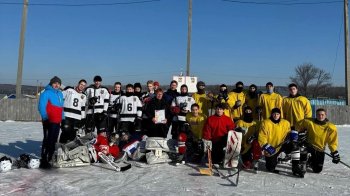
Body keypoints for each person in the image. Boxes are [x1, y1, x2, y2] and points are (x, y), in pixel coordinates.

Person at [258, 108, 304, 177]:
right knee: (270, 168)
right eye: (274, 114)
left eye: (277, 114)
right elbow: (261, 137)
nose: (276, 116)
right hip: (272, 148)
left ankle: (295, 166)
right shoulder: (265, 123)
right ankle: (275, 159)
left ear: (280, 115)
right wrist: (267, 147)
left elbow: (289, 133)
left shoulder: (285, 123)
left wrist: (293, 134)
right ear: (271, 114)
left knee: (294, 145)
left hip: (283, 144)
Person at [296, 108, 340, 173]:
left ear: (325, 115)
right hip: (308, 145)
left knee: (317, 170)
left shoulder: (331, 127)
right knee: (302, 147)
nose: (320, 116)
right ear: (316, 115)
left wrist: (334, 152)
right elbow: (297, 125)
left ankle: (310, 161)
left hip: (320, 149)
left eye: (322, 115)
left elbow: (332, 141)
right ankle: (302, 162)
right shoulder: (309, 122)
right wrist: (301, 132)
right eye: (318, 115)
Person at [38, 76, 64, 168]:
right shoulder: (46, 93)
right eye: (55, 83)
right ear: (51, 83)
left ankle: (50, 157)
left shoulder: (60, 94)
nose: (56, 85)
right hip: (49, 120)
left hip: (57, 121)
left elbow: (61, 108)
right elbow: (41, 106)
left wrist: (63, 118)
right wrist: (45, 117)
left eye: (58, 83)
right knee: (47, 139)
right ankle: (44, 159)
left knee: (54, 140)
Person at [59, 79, 87, 144]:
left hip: (77, 117)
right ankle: (60, 147)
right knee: (65, 131)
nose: (82, 86)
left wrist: (83, 118)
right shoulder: (69, 90)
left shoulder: (84, 96)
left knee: (73, 134)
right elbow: (60, 97)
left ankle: (69, 149)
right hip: (67, 116)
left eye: (84, 85)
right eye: (81, 84)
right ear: (78, 84)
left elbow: (82, 108)